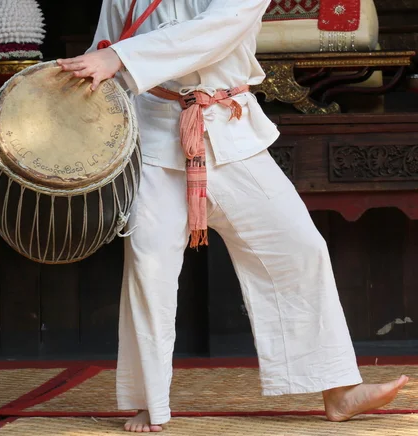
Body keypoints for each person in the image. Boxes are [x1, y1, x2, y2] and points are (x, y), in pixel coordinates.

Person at [57, 0, 409, 433]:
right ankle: (149, 402)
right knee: (149, 264)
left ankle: (338, 389)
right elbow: (104, 50)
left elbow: (219, 28)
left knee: (299, 246)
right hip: (151, 131)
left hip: (230, 127)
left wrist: (118, 57)